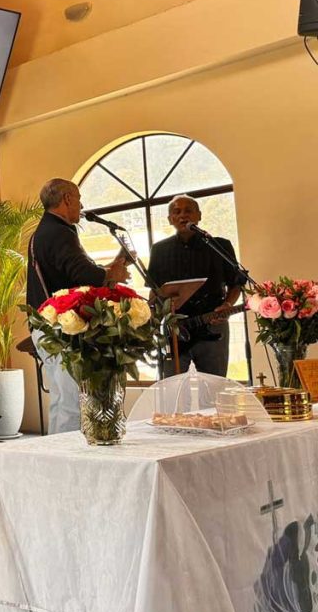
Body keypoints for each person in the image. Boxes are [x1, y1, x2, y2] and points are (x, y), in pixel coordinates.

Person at [26, 179, 129, 434]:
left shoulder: (44, 231)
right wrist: (110, 274)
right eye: (79, 197)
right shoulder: (59, 231)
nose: (82, 205)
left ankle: (57, 458)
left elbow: (70, 275)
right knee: (72, 401)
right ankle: (67, 462)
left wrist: (107, 271)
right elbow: (81, 274)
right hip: (61, 326)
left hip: (47, 324)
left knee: (62, 400)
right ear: (67, 199)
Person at [147, 195, 245, 377]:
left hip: (213, 323)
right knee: (173, 388)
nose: (183, 215)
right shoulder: (159, 250)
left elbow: (237, 282)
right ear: (170, 219)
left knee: (213, 387)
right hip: (174, 329)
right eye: (177, 212)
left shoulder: (219, 245)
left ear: (198, 216)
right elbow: (154, 290)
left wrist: (228, 305)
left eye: (188, 211)